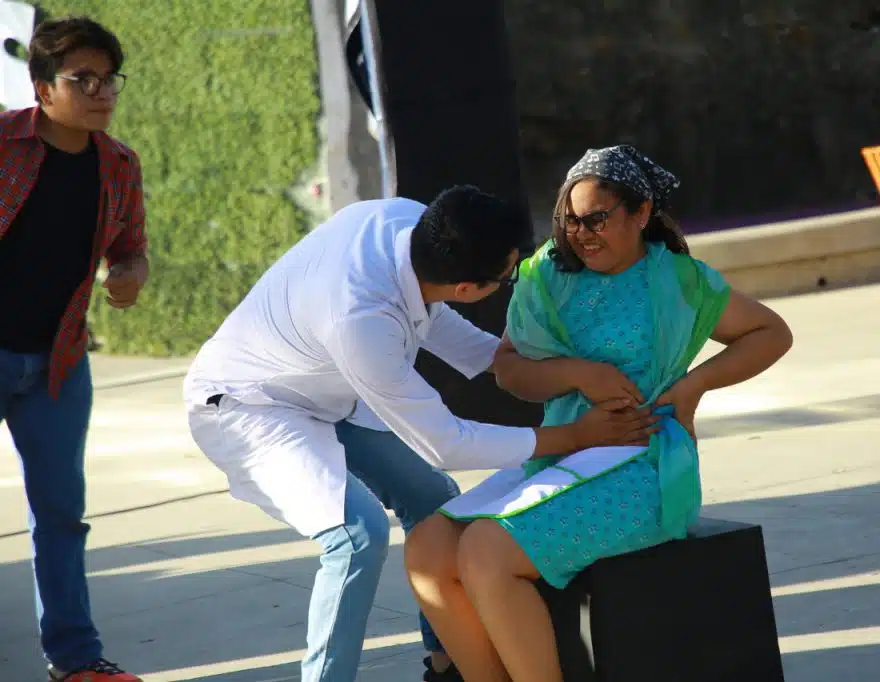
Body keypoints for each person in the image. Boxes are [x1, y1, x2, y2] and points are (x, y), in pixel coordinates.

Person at [183, 186, 659, 682]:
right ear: (468, 288)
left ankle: (445, 662)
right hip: (249, 405)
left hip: (325, 385)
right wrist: (575, 436)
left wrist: (562, 370)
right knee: (356, 536)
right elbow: (446, 443)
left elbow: (438, 322)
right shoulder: (361, 321)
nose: (512, 282)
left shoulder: (409, 224)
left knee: (435, 503)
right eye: (508, 277)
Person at [403, 145, 795, 682]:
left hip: (644, 466)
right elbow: (509, 370)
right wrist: (578, 374)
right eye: (569, 219)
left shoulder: (678, 280)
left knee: (486, 553)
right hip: (565, 452)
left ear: (641, 212)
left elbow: (772, 333)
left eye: (596, 219)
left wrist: (694, 386)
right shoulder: (548, 275)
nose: (581, 233)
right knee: (427, 548)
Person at [0, 16, 148, 682]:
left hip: (57, 366)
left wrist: (130, 277)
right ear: (42, 89)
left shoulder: (119, 165)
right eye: (81, 79)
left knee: (61, 516)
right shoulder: (4, 142)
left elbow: (132, 250)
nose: (100, 92)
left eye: (108, 79)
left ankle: (76, 660)